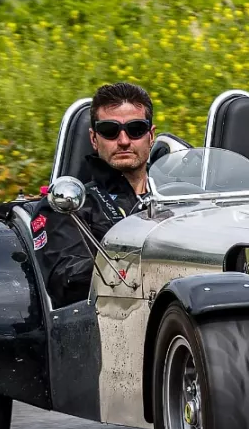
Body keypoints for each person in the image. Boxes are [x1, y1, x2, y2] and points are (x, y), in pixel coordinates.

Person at [32, 82, 156, 307]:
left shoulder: (181, 196)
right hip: (112, 318)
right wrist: (137, 263)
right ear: (93, 139)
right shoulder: (65, 204)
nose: (124, 140)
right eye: (109, 131)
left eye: (136, 129)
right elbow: (66, 281)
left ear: (151, 135)